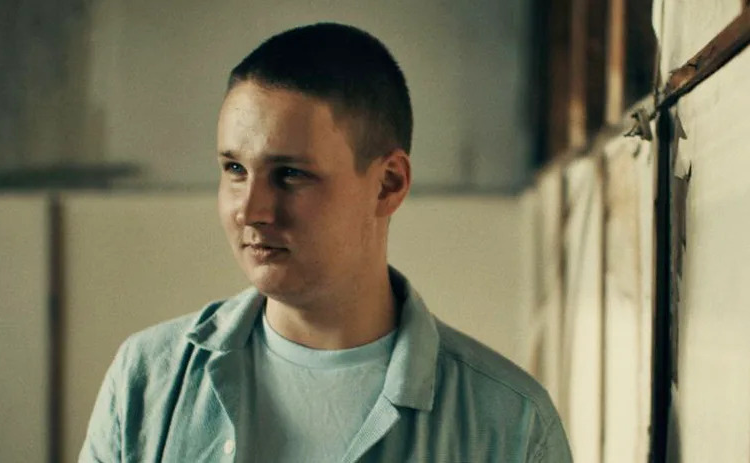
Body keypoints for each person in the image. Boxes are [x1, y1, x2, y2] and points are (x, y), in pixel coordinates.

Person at [79, 22, 572, 463]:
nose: (251, 210)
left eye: (290, 174)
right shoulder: (147, 379)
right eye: (235, 169)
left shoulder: (511, 425)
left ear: (388, 184)